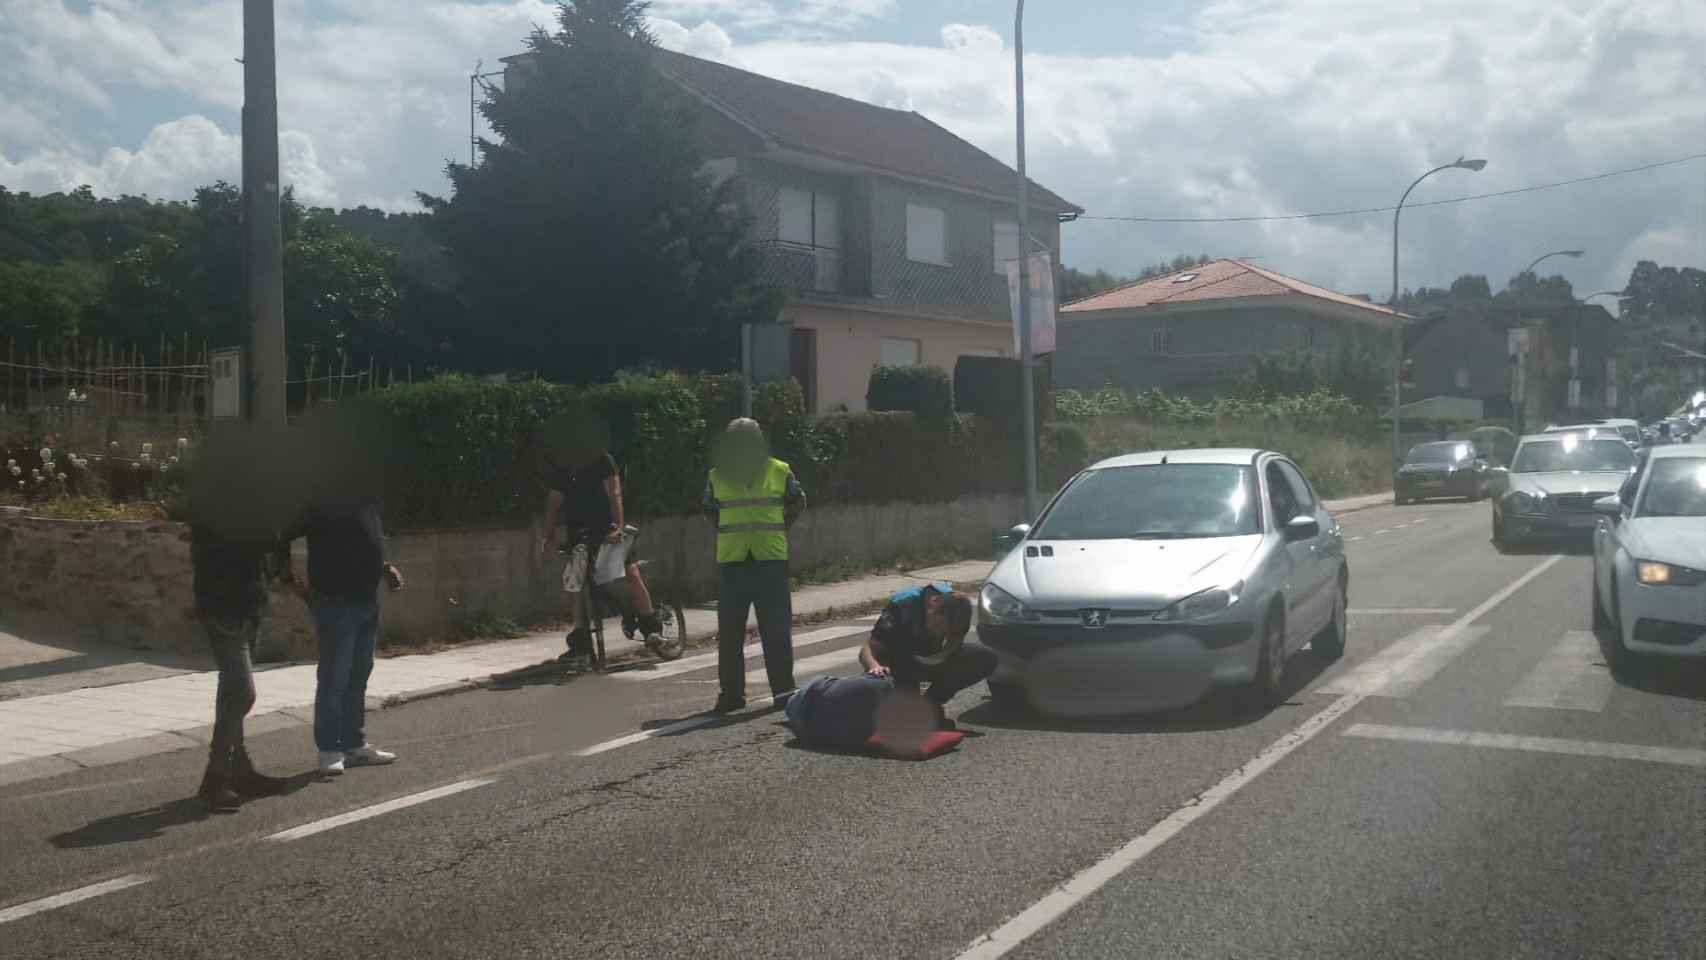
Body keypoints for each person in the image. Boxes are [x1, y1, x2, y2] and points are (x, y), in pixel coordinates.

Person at [186, 425, 295, 813]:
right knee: (243, 691)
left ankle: (239, 769)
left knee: (230, 692)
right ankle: (214, 779)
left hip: (248, 602)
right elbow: (261, 535)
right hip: (224, 605)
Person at [288, 496, 406, 776]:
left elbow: (363, 543)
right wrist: (287, 579)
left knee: (358, 675)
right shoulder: (321, 499)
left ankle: (354, 745)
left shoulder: (366, 501)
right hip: (335, 601)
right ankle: (329, 749)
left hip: (366, 599)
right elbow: (281, 532)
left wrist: (385, 567)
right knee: (334, 678)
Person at [705, 418, 806, 713]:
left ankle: (784, 692)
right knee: (730, 634)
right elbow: (709, 510)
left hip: (769, 561)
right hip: (733, 563)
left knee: (776, 630)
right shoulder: (716, 476)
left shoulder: (779, 470)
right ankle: (732, 696)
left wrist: (776, 529)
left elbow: (797, 502)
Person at [539, 448, 672, 669]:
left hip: (607, 529)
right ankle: (580, 643)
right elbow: (554, 502)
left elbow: (614, 494)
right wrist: (549, 536)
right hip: (580, 534)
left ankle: (651, 628)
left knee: (630, 572)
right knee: (577, 585)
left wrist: (618, 527)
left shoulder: (603, 460)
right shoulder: (562, 467)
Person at [858, 583, 994, 730]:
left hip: (928, 659)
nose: (937, 633)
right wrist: (874, 666)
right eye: (937, 626)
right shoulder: (904, 605)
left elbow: (953, 646)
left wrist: (938, 662)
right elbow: (869, 649)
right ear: (932, 607)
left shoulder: (960, 607)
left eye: (944, 632)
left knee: (985, 657)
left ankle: (931, 702)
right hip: (898, 663)